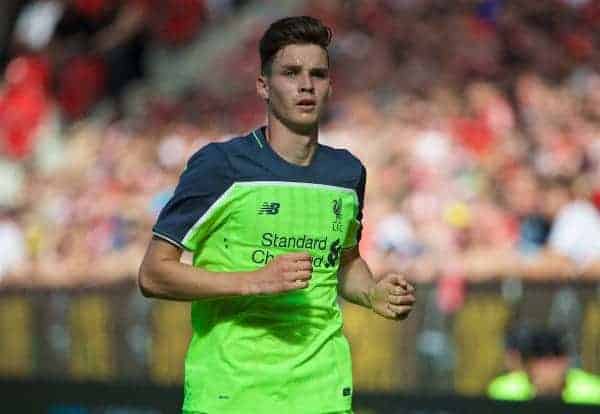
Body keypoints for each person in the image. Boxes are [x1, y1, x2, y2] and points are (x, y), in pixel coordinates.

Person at [138, 16, 416, 414]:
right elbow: (153, 273)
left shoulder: (347, 173)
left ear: (330, 87)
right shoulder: (220, 166)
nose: (306, 85)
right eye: (291, 73)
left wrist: (372, 293)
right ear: (263, 86)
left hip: (323, 392)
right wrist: (254, 281)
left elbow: (343, 263)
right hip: (232, 394)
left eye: (317, 74)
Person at [488, 326, 600, 405]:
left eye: (553, 362)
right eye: (541, 363)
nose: (547, 371)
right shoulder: (504, 391)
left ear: (565, 362)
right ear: (528, 365)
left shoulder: (593, 391)